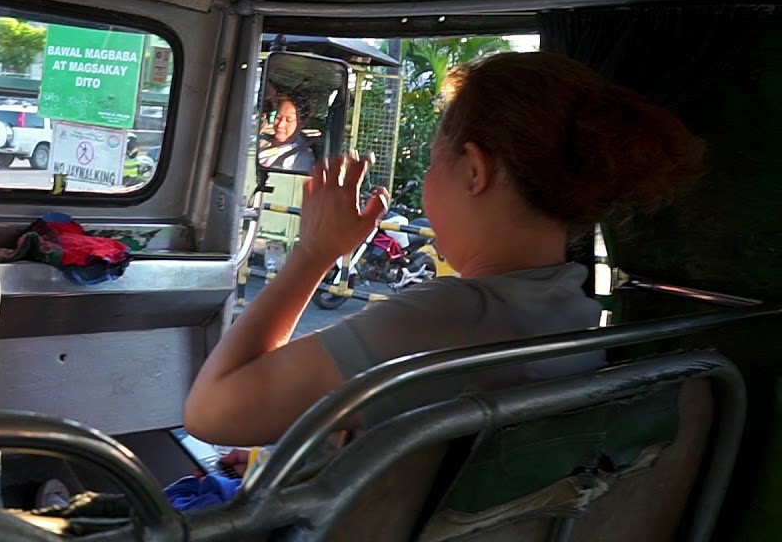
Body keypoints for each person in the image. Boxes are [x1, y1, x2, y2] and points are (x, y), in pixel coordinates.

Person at [186, 51, 704, 447]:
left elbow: (210, 411)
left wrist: (313, 253)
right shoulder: (576, 311)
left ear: (474, 171)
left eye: (435, 163)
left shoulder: (447, 318)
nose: (428, 183)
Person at [257, 97, 316, 173]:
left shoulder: (301, 157)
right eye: (278, 117)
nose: (280, 125)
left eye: (289, 120)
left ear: (301, 123)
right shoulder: (261, 138)